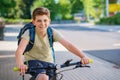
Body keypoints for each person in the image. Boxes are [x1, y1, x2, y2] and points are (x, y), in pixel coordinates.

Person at [15, 7, 90, 80]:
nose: (42, 23)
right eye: (39, 21)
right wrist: (20, 64)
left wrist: (83, 56)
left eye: (45, 20)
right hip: (32, 62)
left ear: (49, 21)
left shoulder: (52, 32)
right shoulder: (29, 33)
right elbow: (19, 51)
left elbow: (68, 45)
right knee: (43, 78)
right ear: (34, 22)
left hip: (49, 63)